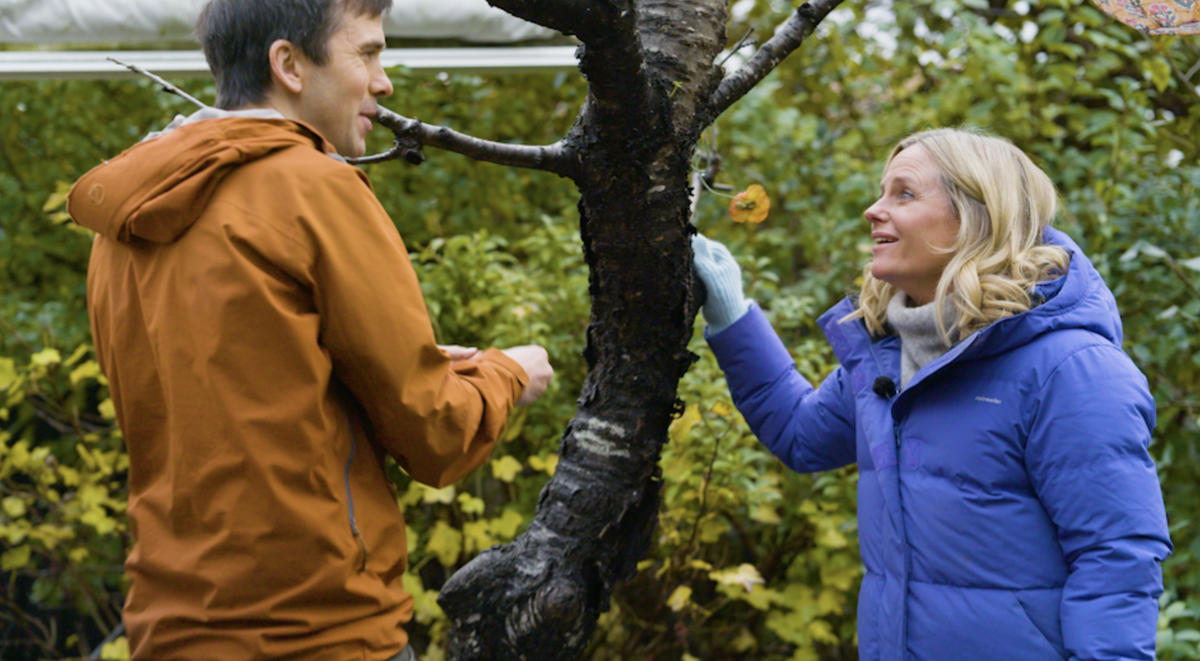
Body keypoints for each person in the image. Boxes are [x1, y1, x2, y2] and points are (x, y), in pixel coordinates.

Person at [66, 1, 554, 659]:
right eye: (368, 53)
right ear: (289, 64)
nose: (384, 81)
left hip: (169, 628)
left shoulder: (126, 220)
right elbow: (433, 432)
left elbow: (227, 394)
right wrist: (508, 371)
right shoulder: (313, 188)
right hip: (318, 630)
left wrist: (376, 364)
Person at [691, 128, 1171, 661]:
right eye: (881, 192)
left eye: (904, 194)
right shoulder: (891, 357)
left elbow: (1117, 561)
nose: (874, 211)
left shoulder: (1072, 369)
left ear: (976, 216)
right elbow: (801, 436)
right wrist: (731, 316)